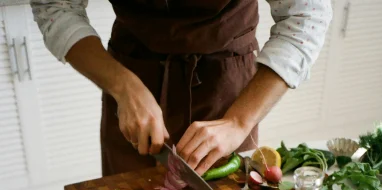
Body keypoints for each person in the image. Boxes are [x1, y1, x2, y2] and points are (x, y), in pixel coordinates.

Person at [31, 0, 332, 177]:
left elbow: (306, 16)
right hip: (131, 78)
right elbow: (55, 8)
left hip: (226, 87)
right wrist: (124, 87)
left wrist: (238, 122)